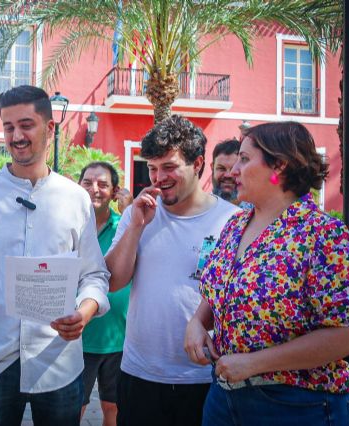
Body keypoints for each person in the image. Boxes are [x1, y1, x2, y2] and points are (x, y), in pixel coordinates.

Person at [0, 85, 110, 426]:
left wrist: (84, 312)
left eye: (26, 125)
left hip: (58, 361)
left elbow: (94, 275)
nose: (16, 136)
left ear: (50, 129)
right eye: (8, 127)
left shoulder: (76, 198)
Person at [184, 121, 349, 425]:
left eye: (245, 159)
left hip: (298, 406)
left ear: (280, 165)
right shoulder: (236, 225)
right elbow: (220, 289)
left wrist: (255, 363)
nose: (233, 170)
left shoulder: (323, 234)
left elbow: (347, 334)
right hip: (224, 398)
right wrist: (197, 322)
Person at [105, 115, 239, 426]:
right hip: (140, 373)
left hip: (206, 376)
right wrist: (136, 225)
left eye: (169, 167)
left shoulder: (232, 221)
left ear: (197, 164)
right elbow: (113, 280)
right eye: (152, 168)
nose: (158, 177)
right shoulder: (137, 213)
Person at [78, 162, 131, 426]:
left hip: (119, 337)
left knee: (113, 406)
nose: (94, 190)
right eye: (87, 183)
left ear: (114, 191)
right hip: (80, 336)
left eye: (102, 184)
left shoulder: (126, 226)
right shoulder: (69, 226)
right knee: (76, 405)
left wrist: (131, 214)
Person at [210, 138, 240, 203]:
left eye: (234, 169)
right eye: (221, 168)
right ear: (212, 167)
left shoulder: (258, 210)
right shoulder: (199, 209)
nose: (228, 175)